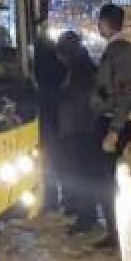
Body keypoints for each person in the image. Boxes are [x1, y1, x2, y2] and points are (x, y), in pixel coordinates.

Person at [89, 3, 131, 249]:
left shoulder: (122, 51)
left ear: (105, 23)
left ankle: (116, 234)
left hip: (115, 122)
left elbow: (127, 93)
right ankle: (113, 231)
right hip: (110, 119)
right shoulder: (117, 48)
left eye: (99, 22)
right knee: (104, 178)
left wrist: (113, 131)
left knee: (107, 179)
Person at [55, 31, 98, 229]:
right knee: (79, 172)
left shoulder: (82, 70)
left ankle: (87, 217)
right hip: (77, 129)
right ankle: (83, 212)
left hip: (81, 130)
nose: (60, 58)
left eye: (62, 53)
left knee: (83, 174)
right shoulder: (79, 66)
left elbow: (79, 100)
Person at [33, 35, 67, 211]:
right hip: (60, 121)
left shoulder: (36, 68)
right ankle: (63, 199)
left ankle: (51, 200)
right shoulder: (61, 67)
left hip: (44, 122)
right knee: (60, 161)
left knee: (48, 163)